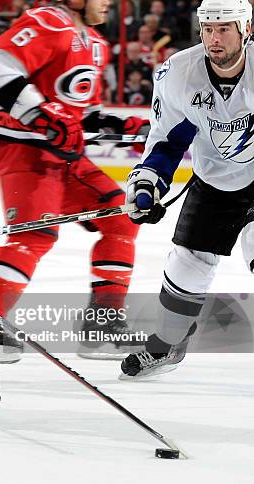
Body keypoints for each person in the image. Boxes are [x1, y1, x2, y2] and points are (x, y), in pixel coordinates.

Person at [0, 0, 149, 362]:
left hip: (63, 157)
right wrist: (41, 118)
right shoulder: (48, 21)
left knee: (121, 219)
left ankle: (102, 323)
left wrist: (120, 127)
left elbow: (79, 116)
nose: (108, 4)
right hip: (23, 147)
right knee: (33, 236)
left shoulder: (96, 43)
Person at [121, 0, 254, 379]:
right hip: (214, 176)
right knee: (187, 263)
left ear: (246, 29)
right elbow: (167, 142)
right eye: (208, 29)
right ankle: (169, 343)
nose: (215, 38)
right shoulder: (179, 73)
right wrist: (148, 185)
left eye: (224, 28)